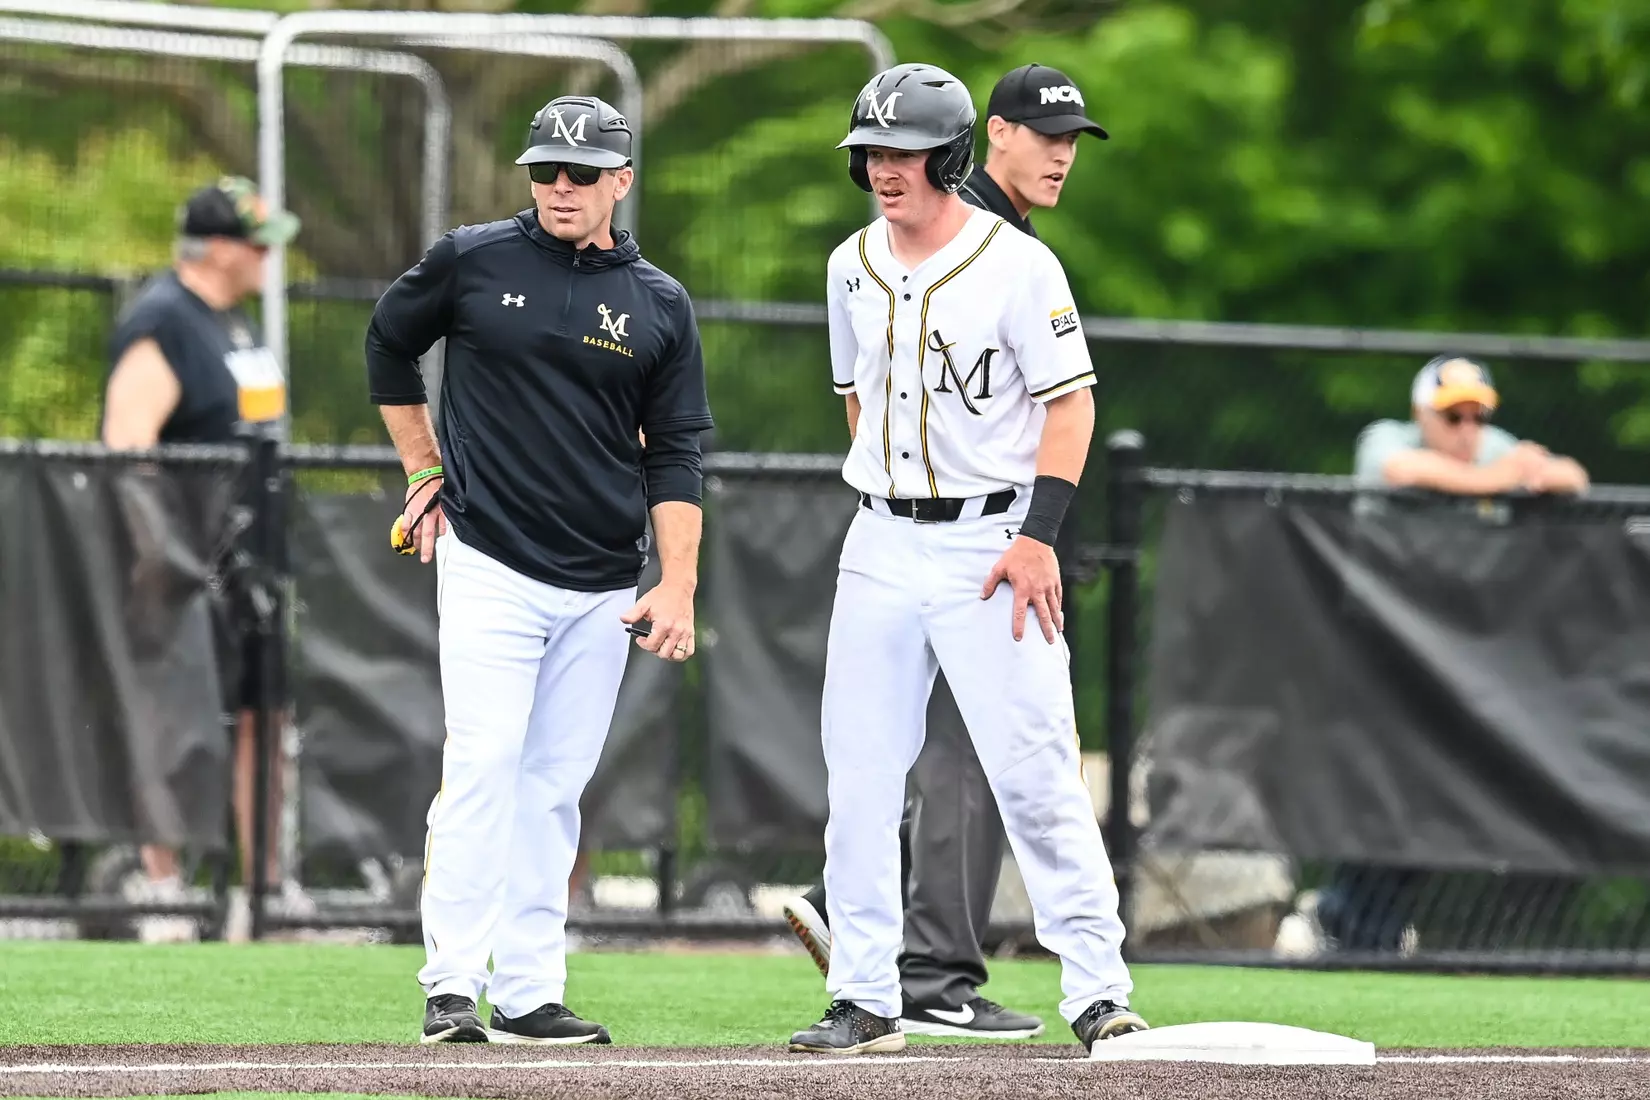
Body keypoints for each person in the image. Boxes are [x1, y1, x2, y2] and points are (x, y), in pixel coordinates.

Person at [787, 62, 1146, 1056]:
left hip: (993, 540)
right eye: (871, 153)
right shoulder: (848, 263)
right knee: (858, 774)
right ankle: (864, 994)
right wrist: (890, 489)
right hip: (883, 536)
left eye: (903, 152)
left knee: (1034, 770)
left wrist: (1038, 533)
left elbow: (1071, 402)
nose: (883, 168)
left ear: (949, 154)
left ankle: (1097, 991)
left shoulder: (1019, 265)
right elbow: (855, 396)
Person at [365, 94, 714, 1046]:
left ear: (620, 182)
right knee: (482, 766)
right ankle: (451, 988)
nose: (561, 186)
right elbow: (389, 342)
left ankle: (526, 992)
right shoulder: (473, 258)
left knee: (553, 787)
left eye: (582, 172)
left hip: (603, 582)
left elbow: (676, 452)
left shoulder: (662, 304)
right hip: (487, 556)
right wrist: (423, 470)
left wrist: (676, 581)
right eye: (545, 170)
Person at [101, 175, 303, 943]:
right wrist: (158, 553)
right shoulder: (162, 321)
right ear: (219, 248)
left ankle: (266, 893)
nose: (266, 258)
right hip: (182, 563)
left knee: (264, 715)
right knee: (170, 715)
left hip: (252, 559)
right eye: (256, 243)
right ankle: (162, 890)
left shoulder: (240, 327)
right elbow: (129, 444)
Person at [1354, 355, 1589, 496]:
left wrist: (1537, 474)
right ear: (1419, 414)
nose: (1468, 430)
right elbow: (1401, 470)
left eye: (1479, 418)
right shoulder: (1386, 435)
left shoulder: (1490, 445)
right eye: (1453, 417)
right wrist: (1495, 478)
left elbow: (1574, 475)